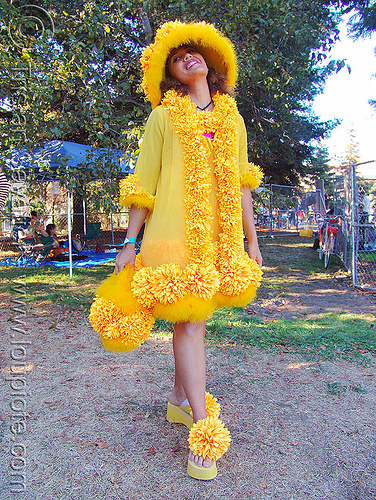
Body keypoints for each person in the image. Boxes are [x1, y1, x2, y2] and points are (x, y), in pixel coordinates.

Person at [89, 21, 263, 481]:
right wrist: (129, 242)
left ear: (211, 61)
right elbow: (143, 182)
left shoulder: (234, 120)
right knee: (189, 322)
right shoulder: (163, 117)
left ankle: (179, 400)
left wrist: (252, 237)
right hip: (170, 235)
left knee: (191, 321)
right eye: (176, 57)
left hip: (214, 241)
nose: (188, 58)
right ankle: (204, 426)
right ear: (169, 75)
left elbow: (244, 184)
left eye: (193, 52)